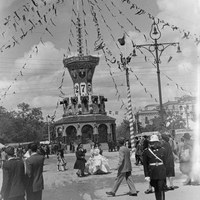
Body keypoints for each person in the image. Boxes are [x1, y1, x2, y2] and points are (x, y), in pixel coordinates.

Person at [143, 134, 167, 200]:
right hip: (153, 173)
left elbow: (165, 162)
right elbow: (145, 165)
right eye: (151, 142)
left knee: (161, 188)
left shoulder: (163, 150)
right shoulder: (146, 151)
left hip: (161, 172)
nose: (153, 144)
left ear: (158, 142)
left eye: (154, 142)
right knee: (156, 189)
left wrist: (166, 173)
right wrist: (146, 175)